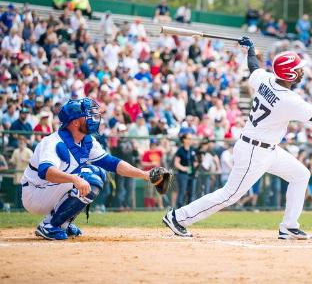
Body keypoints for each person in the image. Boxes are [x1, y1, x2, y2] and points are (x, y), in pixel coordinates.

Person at [162, 36, 312, 239]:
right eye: (297, 69)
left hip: (267, 148)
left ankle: (289, 226)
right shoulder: (289, 99)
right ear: (289, 74)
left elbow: (254, 67)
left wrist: (250, 49)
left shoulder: (266, 79)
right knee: (229, 195)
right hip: (255, 151)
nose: (301, 71)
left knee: (300, 175)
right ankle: (178, 217)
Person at [20, 98, 154, 240]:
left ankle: (63, 222)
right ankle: (49, 225)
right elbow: (46, 172)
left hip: (50, 190)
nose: (94, 118)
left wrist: (145, 174)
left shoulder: (87, 140)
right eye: (88, 115)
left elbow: (113, 163)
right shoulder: (54, 142)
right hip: (35, 192)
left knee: (99, 173)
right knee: (90, 178)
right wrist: (75, 179)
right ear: (75, 122)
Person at [174, 133, 198, 208]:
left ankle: (190, 210)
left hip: (192, 174)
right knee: (182, 191)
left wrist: (195, 164)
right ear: (184, 140)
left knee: (191, 193)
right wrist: (183, 168)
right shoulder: (180, 150)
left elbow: (195, 161)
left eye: (191, 139)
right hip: (182, 174)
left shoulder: (192, 149)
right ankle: (179, 209)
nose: (190, 140)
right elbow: (176, 163)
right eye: (189, 138)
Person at [10, 136, 33, 209]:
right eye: (19, 142)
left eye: (22, 143)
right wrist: (11, 161)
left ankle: (23, 208)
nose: (21, 144)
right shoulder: (15, 151)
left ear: (25, 143)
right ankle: (18, 208)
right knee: (17, 192)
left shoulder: (29, 151)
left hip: (25, 175)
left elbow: (33, 161)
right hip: (17, 174)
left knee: (23, 192)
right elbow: (13, 161)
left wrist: (26, 160)